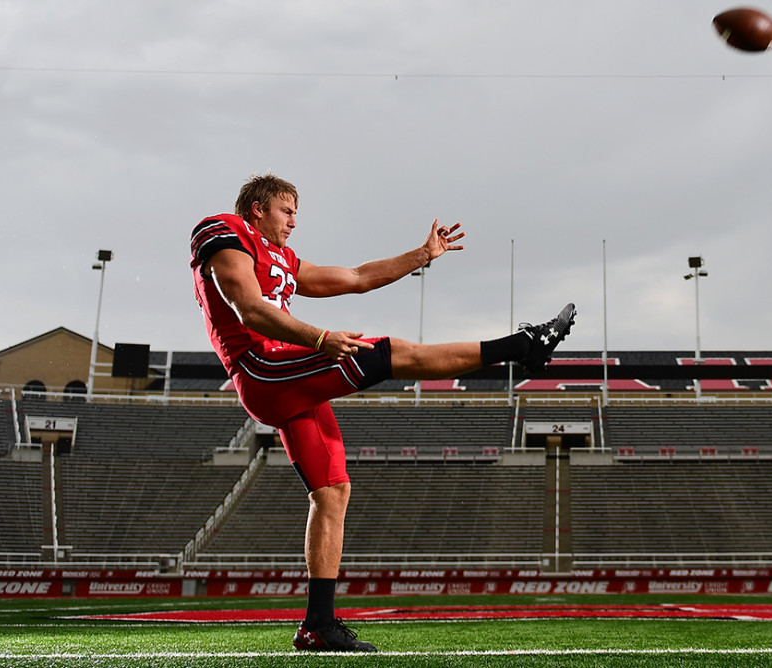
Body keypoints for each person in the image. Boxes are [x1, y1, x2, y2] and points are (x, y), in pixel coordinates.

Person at [189, 173, 574, 652]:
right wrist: (319, 338)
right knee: (393, 354)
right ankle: (521, 345)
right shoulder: (223, 230)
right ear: (257, 209)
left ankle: (318, 625)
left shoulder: (283, 259)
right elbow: (248, 308)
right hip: (263, 367)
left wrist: (423, 255)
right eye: (287, 211)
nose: (294, 222)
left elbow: (355, 278)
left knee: (333, 492)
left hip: (289, 377)